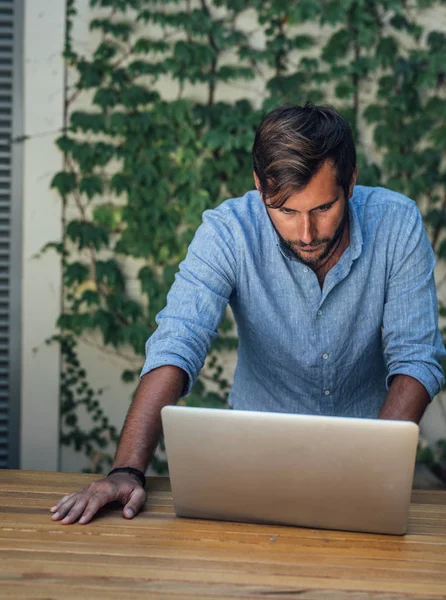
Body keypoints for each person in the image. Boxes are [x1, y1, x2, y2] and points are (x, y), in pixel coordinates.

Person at [50, 103, 446, 525]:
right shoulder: (228, 231)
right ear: (260, 186)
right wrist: (126, 470)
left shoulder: (397, 222)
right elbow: (177, 342)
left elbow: (417, 356)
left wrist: (372, 463)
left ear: (350, 182)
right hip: (256, 466)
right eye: (286, 211)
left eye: (323, 209)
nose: (306, 233)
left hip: (368, 464)